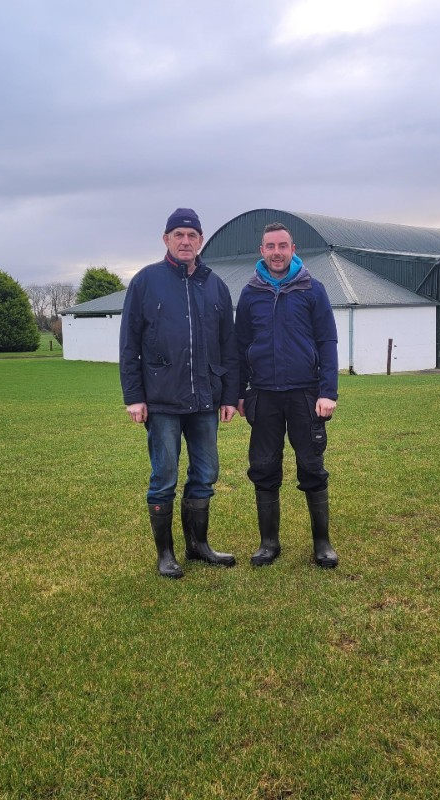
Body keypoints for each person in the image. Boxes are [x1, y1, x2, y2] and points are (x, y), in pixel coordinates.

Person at [119, 208, 239, 579]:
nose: (185, 241)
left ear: (201, 240)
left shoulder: (215, 284)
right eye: (178, 235)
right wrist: (134, 396)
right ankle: (166, 554)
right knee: (164, 476)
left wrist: (229, 396)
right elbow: (129, 345)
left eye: (192, 235)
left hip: (205, 400)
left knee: (206, 473)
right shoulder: (146, 282)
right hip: (162, 401)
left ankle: (198, 546)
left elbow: (228, 346)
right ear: (166, 239)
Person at [235, 222, 340, 568]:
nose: (277, 252)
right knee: (263, 467)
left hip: (305, 396)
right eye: (270, 246)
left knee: (311, 465)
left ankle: (322, 543)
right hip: (263, 395)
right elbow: (239, 347)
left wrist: (328, 391)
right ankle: (268, 543)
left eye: (283, 246)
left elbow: (327, 342)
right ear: (261, 251)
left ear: (294, 249)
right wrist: (239, 393)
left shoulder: (313, 289)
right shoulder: (250, 293)